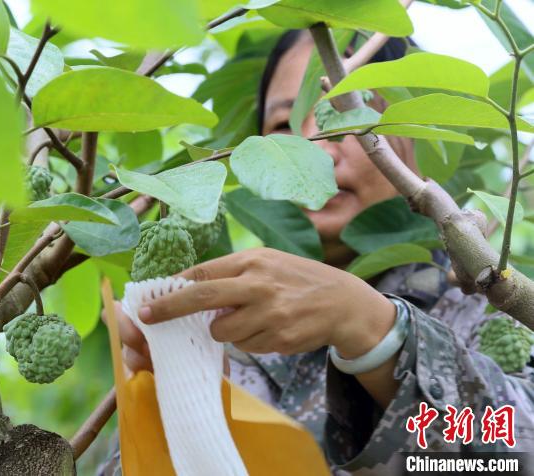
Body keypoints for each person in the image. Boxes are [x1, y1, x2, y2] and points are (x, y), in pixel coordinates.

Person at [102, 30, 534, 475]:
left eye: (345, 114)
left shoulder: (498, 315)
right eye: (282, 128)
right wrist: (183, 412)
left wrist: (373, 332)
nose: (312, 149)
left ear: (417, 139)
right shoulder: (224, 337)